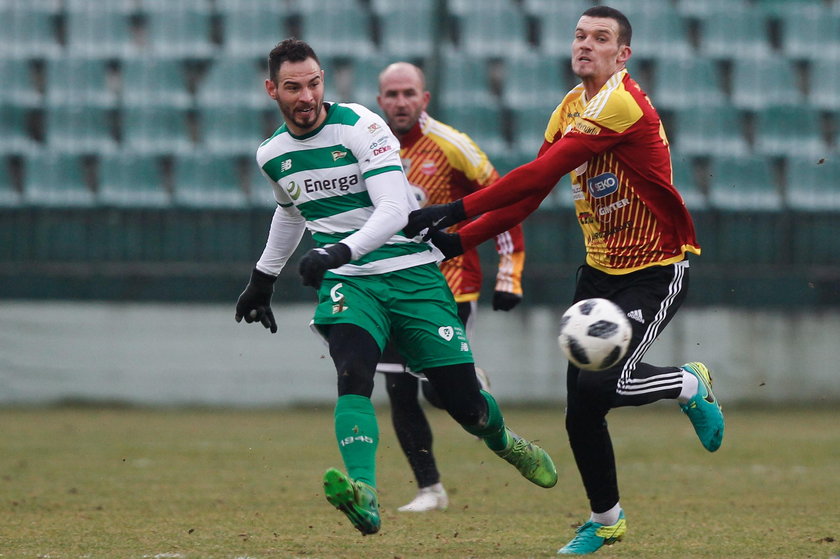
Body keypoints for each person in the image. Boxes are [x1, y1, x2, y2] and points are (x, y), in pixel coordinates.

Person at [404, 6, 725, 555]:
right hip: (598, 275)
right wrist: (456, 240)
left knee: (611, 385)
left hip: (654, 270)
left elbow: (539, 174)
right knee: (580, 410)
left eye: (601, 38)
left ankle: (687, 383)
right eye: (580, 35)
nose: (586, 45)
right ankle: (606, 520)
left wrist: (454, 208)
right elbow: (528, 195)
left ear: (622, 54)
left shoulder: (621, 103)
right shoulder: (569, 109)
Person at [234, 38, 557, 536]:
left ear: (324, 81)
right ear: (272, 89)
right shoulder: (273, 153)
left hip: (411, 273)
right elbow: (290, 210)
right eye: (293, 87)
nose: (306, 96)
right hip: (350, 284)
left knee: (464, 404)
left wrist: (338, 251)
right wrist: (263, 278)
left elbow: (394, 211)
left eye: (314, 83)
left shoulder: (362, 125)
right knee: (354, 373)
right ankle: (364, 492)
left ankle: (503, 441)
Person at [375, 61, 527, 513]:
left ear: (425, 99)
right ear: (380, 100)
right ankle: (430, 489)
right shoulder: (370, 147)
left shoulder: (452, 145)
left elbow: (503, 199)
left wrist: (510, 271)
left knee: (437, 393)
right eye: (392, 94)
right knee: (399, 390)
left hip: (450, 285)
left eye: (409, 93)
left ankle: (470, 382)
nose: (400, 102)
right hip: (390, 288)